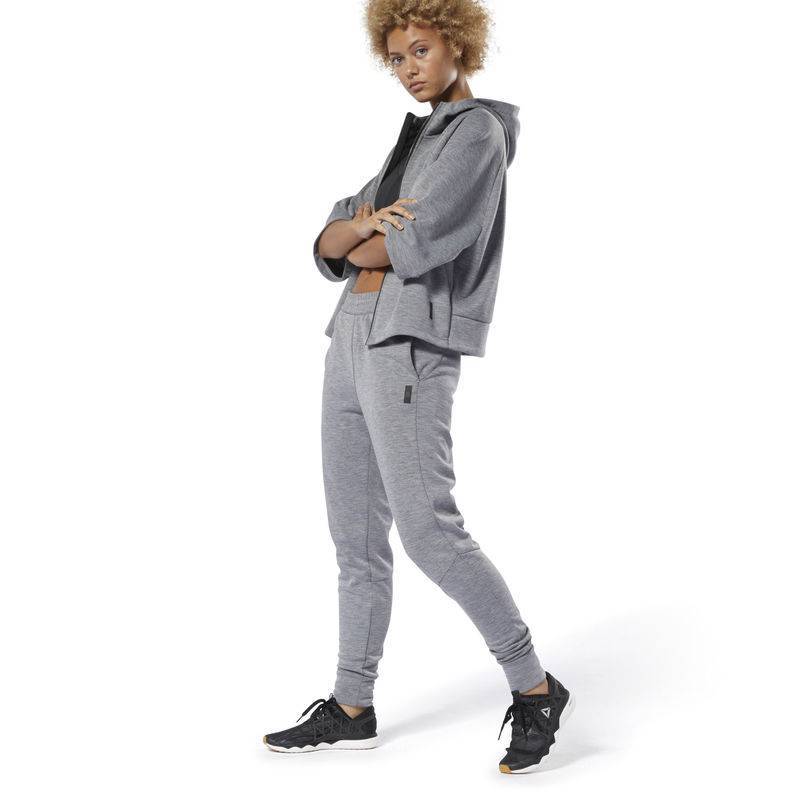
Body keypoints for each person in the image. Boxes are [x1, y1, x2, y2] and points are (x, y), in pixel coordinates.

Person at [263, 0, 574, 774]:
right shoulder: (416, 139)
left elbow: (406, 243)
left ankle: (535, 686)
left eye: (422, 51)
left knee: (430, 531)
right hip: (349, 338)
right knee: (355, 537)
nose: (408, 69)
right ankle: (352, 704)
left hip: (408, 343)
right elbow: (328, 239)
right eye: (397, 57)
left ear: (458, 44)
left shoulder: (477, 134)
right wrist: (363, 226)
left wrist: (368, 232)